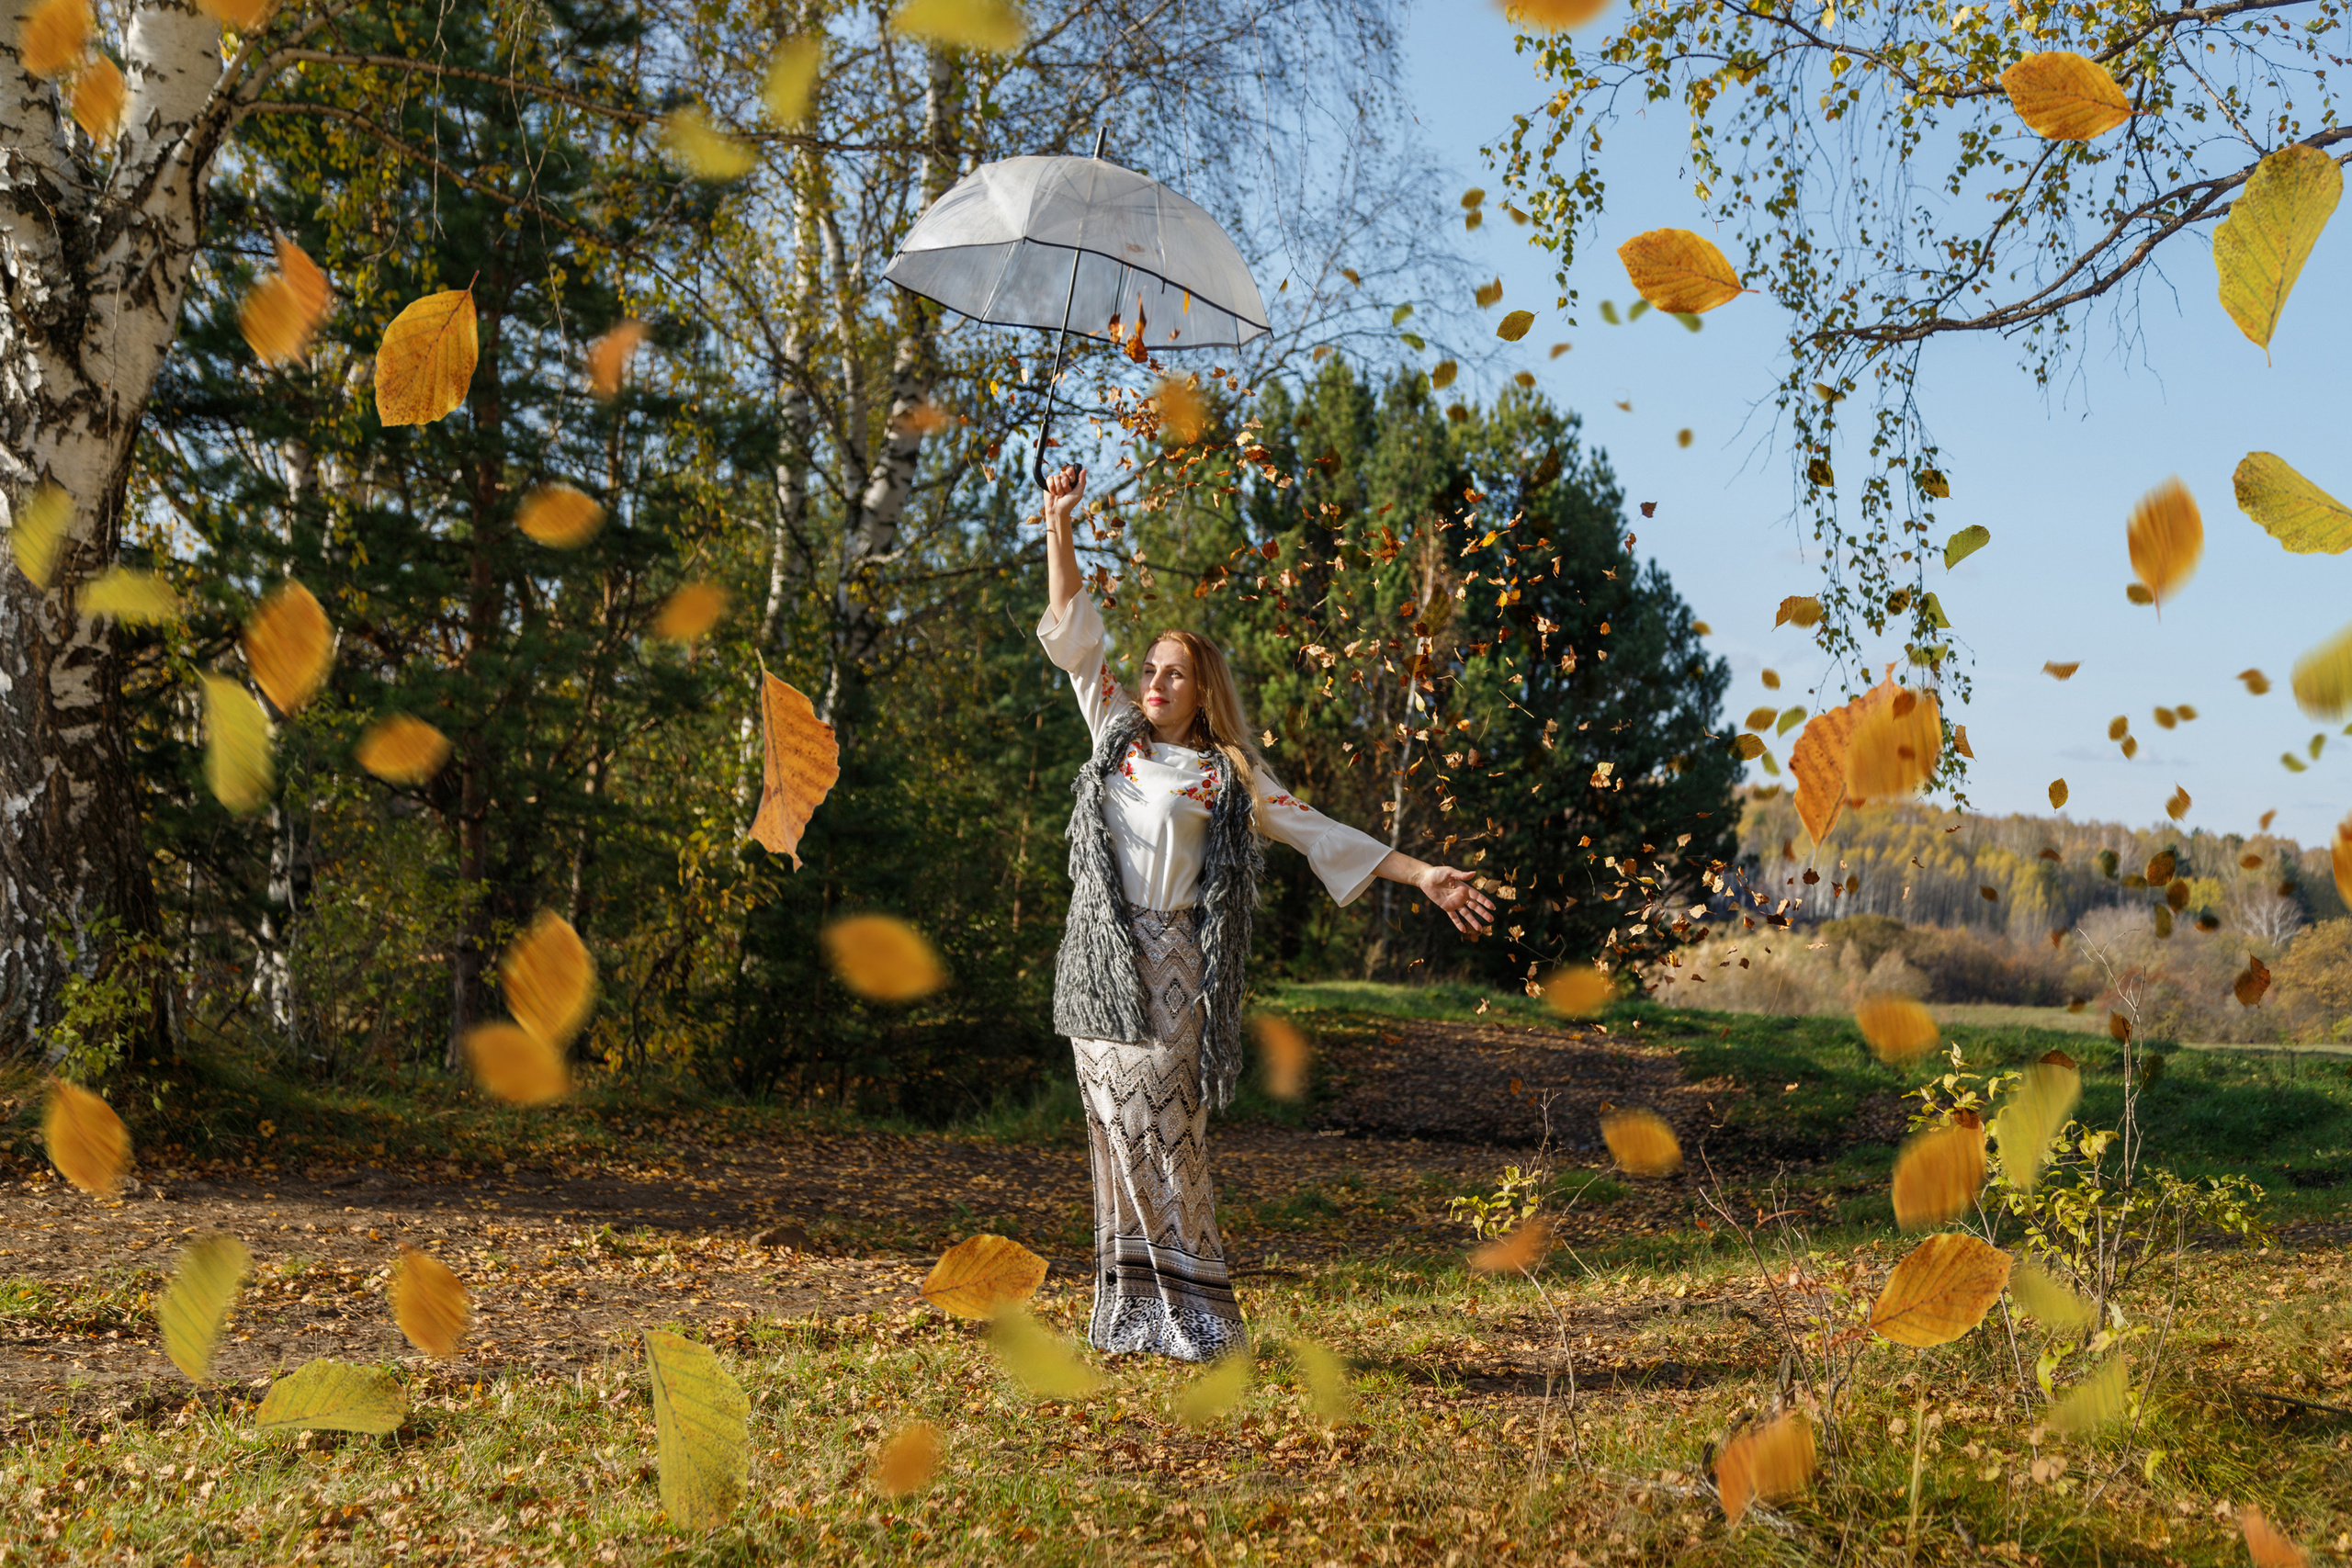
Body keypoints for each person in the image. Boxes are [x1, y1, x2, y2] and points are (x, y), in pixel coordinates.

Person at [1035, 464, 1494, 1362]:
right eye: (1152, 669)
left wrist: (1420, 875)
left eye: (1176, 673)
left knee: (1171, 1144)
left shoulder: (1229, 778)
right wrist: (1059, 527)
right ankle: (1131, 1320)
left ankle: (1202, 1322)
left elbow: (1324, 835)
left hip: (1175, 977)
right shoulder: (1114, 737)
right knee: (1115, 1145)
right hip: (1100, 972)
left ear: (1204, 689)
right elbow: (1074, 638)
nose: (1157, 681)